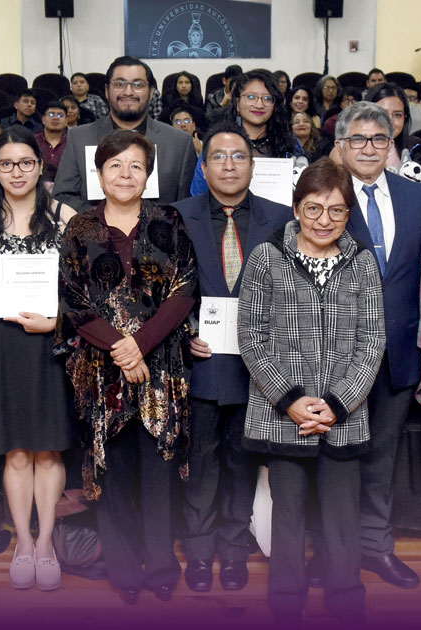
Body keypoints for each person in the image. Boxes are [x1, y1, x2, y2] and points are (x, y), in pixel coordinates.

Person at [238, 158, 385, 624]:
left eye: (337, 211)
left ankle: (345, 602)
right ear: (297, 208)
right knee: (289, 518)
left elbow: (372, 340)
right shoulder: (266, 257)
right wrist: (292, 401)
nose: (325, 220)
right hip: (283, 415)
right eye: (314, 208)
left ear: (348, 215)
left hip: (345, 415)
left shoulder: (361, 261)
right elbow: (252, 337)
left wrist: (337, 404)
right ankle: (285, 604)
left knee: (342, 520)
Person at [57, 130, 197, 605]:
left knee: (158, 469)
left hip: (162, 369)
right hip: (101, 372)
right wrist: (122, 349)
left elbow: (184, 290)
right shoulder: (79, 229)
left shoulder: (168, 220)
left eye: (135, 166)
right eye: (115, 166)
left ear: (148, 173)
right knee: (112, 472)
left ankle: (160, 564)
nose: (125, 174)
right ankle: (121, 567)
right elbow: (73, 303)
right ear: (99, 173)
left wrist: (140, 345)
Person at [172, 124, 292, 594]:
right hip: (199, 362)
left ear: (252, 166)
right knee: (200, 464)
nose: (228, 164)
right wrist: (183, 333)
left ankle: (233, 547)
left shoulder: (281, 219)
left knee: (242, 461)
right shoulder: (177, 216)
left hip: (256, 368)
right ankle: (200, 553)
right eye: (218, 157)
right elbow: (161, 290)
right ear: (203, 168)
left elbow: (291, 293)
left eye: (237, 156)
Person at [0, 128, 77, 591]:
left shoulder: (65, 216)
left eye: (26, 163)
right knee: (14, 450)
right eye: (7, 163)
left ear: (40, 166)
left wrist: (58, 323)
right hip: (0, 347)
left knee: (48, 448)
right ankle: (24, 541)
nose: (17, 172)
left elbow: (82, 290)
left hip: (49, 346)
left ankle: (47, 541)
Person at [332, 101, 421, 591]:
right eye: (359, 139)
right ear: (342, 145)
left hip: (398, 352)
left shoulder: (415, 199)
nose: (369, 148)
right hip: (334, 356)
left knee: (383, 456)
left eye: (379, 139)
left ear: (392, 145)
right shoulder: (322, 196)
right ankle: (336, 553)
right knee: (334, 457)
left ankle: (377, 546)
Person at [53, 56, 197, 212]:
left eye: (138, 84)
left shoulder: (180, 143)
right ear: (107, 91)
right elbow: (63, 196)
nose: (128, 92)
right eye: (120, 84)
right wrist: (100, 219)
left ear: (151, 92)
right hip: (94, 233)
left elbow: (189, 204)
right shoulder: (79, 138)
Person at [193, 70, 301, 195]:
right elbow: (198, 193)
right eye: (251, 97)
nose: (259, 105)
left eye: (267, 98)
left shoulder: (290, 142)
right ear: (237, 103)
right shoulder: (217, 142)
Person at [364, 83, 414, 171]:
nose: (390, 121)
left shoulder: (415, 151)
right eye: (382, 114)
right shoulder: (347, 150)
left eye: (397, 115)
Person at [35, 101, 68, 183]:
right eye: (51, 114)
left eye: (60, 115)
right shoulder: (33, 141)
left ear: (66, 121)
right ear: (43, 119)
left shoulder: (73, 143)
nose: (56, 118)